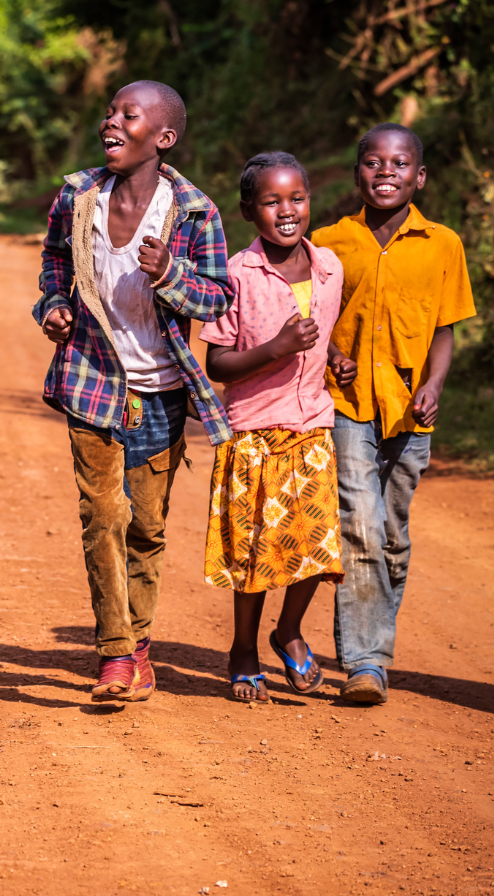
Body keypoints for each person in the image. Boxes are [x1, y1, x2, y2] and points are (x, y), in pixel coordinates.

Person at [33, 81, 235, 701]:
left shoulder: (195, 211)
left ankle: (139, 641)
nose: (110, 123)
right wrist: (54, 306)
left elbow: (218, 297)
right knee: (103, 516)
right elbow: (54, 267)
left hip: (164, 391)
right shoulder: (77, 197)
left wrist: (169, 274)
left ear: (164, 138)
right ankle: (116, 653)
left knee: (147, 527)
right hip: (91, 381)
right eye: (110, 112)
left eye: (128, 115)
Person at [311, 123, 476, 705]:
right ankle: (367, 662)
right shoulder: (328, 243)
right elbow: (315, 321)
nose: (386, 172)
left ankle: (371, 634)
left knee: (393, 537)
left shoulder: (443, 244)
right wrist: (332, 354)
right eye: (374, 163)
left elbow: (445, 328)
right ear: (357, 173)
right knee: (359, 523)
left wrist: (435, 383)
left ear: (420, 176)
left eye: (399, 164)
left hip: (410, 409)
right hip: (347, 404)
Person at [199, 153, 343, 703]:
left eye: (296, 198)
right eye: (271, 201)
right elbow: (217, 365)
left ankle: (288, 631)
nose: (287, 211)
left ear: (310, 200)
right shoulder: (235, 274)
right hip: (255, 431)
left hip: (312, 426)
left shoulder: (330, 267)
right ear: (248, 211)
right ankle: (242, 649)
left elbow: (326, 336)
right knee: (255, 554)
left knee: (317, 545)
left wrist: (337, 360)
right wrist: (276, 348)